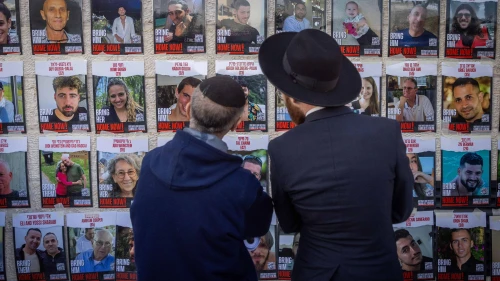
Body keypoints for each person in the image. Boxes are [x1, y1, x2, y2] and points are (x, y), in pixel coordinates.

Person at [258, 29, 413, 280]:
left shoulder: (281, 148)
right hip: (379, 270)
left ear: (292, 97)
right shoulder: (387, 132)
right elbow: (401, 210)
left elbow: (289, 223)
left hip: (317, 272)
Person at [131, 76, 273, 281]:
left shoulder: (150, 162)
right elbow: (258, 225)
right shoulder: (242, 185)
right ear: (235, 125)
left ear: (188, 110)